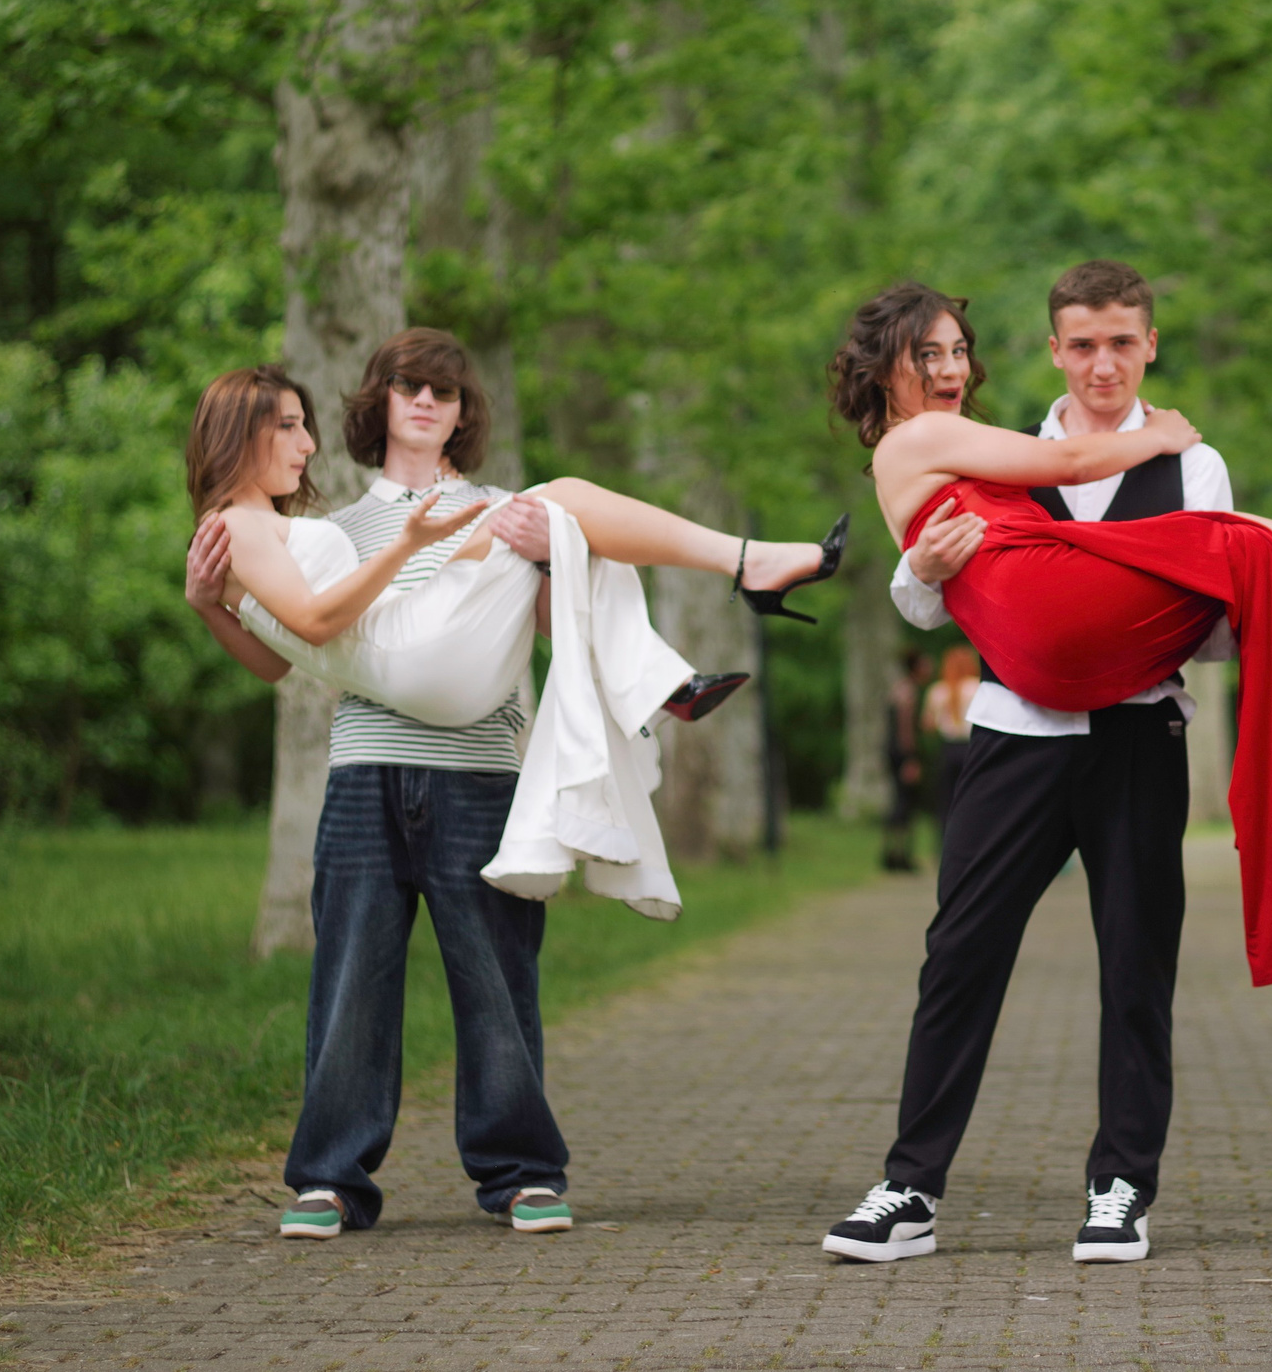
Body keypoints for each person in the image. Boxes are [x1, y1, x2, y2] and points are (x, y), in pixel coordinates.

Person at [814, 271, 1272, 1269]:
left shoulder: (1197, 465)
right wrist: (918, 572)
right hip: (1016, 730)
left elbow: (1218, 624)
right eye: (1084, 343)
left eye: (1122, 344)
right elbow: (940, 589)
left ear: (1149, 346)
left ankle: (1120, 1183)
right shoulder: (1010, 448)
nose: (1103, 362)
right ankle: (910, 1184)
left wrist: (1131, 624)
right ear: (1056, 348)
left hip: (1137, 730)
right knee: (958, 958)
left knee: (1137, 964)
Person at [179, 332, 841, 1244]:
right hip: (367, 768)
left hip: (480, 768)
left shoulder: (500, 509)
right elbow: (287, 654)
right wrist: (212, 602)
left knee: (496, 979)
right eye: (410, 387)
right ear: (378, 404)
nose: (427, 403)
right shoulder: (331, 529)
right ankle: (329, 1178)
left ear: (463, 412)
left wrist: (547, 556)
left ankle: (523, 1172)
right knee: (349, 983)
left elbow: (545, 630)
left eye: (445, 392)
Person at [881, 651, 936, 872]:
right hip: (903, 754)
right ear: (916, 667)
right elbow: (904, 729)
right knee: (905, 803)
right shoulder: (909, 691)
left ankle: (893, 852)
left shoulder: (899, 688)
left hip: (894, 752)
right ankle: (899, 855)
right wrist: (910, 758)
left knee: (899, 801)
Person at [918, 644, 979, 837]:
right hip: (971, 748)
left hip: (947, 749)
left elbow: (927, 725)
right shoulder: (976, 687)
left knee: (946, 798)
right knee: (971, 796)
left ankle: (944, 840)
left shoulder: (937, 690)